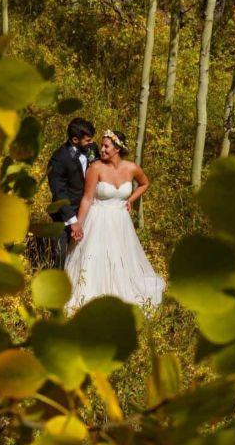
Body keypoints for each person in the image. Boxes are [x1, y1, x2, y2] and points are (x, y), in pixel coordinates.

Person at [64, 128, 165, 311]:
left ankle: (120, 294)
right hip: (98, 220)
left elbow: (145, 183)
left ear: (117, 148)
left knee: (121, 258)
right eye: (102, 145)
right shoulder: (96, 168)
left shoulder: (131, 168)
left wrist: (130, 200)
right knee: (96, 259)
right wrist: (78, 224)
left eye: (106, 146)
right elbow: (87, 199)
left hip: (120, 221)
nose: (101, 149)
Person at [45, 118, 96, 269]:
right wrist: (73, 221)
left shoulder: (92, 148)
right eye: (87, 140)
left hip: (89, 209)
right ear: (75, 139)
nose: (91, 143)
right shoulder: (58, 159)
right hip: (65, 213)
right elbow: (59, 193)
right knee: (61, 253)